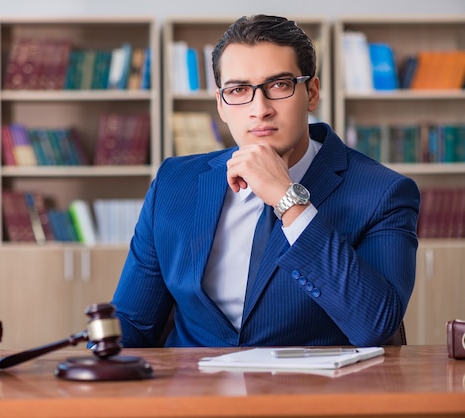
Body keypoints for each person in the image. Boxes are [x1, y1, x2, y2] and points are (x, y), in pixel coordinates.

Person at [111, 14, 420, 348]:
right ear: (221, 105)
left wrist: (289, 200)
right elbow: (132, 323)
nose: (260, 109)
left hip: (308, 394)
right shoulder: (175, 183)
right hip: (192, 394)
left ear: (312, 93)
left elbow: (375, 325)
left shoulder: (383, 193)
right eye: (239, 90)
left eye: (279, 85)